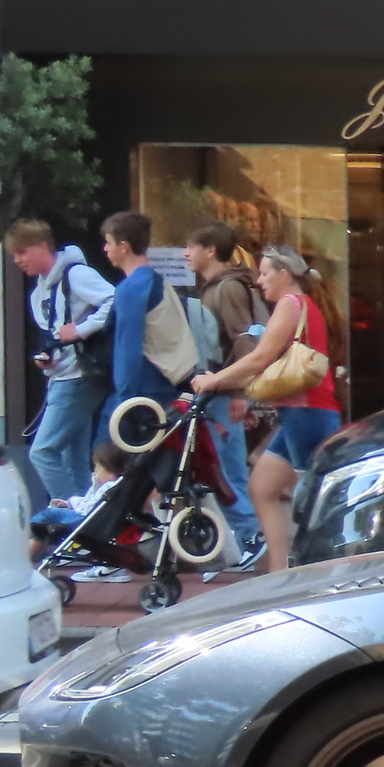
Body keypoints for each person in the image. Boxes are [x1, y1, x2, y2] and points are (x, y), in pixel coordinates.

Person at [194, 243, 340, 573]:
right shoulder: (306, 305)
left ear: (284, 274)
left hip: (307, 413)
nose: (259, 282)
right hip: (301, 413)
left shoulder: (289, 304)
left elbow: (260, 358)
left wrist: (214, 380)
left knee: (310, 501)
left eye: (264, 274)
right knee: (262, 487)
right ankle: (280, 571)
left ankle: (309, 571)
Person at [11, 222, 116, 504]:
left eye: (22, 252)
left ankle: (69, 515)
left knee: (42, 452)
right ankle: (85, 519)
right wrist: (48, 357)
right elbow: (56, 334)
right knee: (73, 459)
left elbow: (114, 302)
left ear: (43, 246)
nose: (17, 260)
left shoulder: (77, 275)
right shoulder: (39, 292)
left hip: (80, 376)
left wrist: (81, 329)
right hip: (63, 375)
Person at [181, 224, 268, 567]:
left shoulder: (227, 289)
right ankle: (246, 535)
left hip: (224, 393)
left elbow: (244, 340)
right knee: (226, 468)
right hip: (219, 391)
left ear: (210, 250)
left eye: (191, 246)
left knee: (227, 470)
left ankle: (249, 536)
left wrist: (237, 391)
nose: (186, 254)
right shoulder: (215, 288)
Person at [99, 211, 197, 416]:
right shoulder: (157, 281)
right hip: (169, 385)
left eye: (108, 242)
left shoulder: (131, 288)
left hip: (142, 391)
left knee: (106, 447)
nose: (105, 248)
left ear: (124, 246)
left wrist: (124, 400)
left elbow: (128, 347)